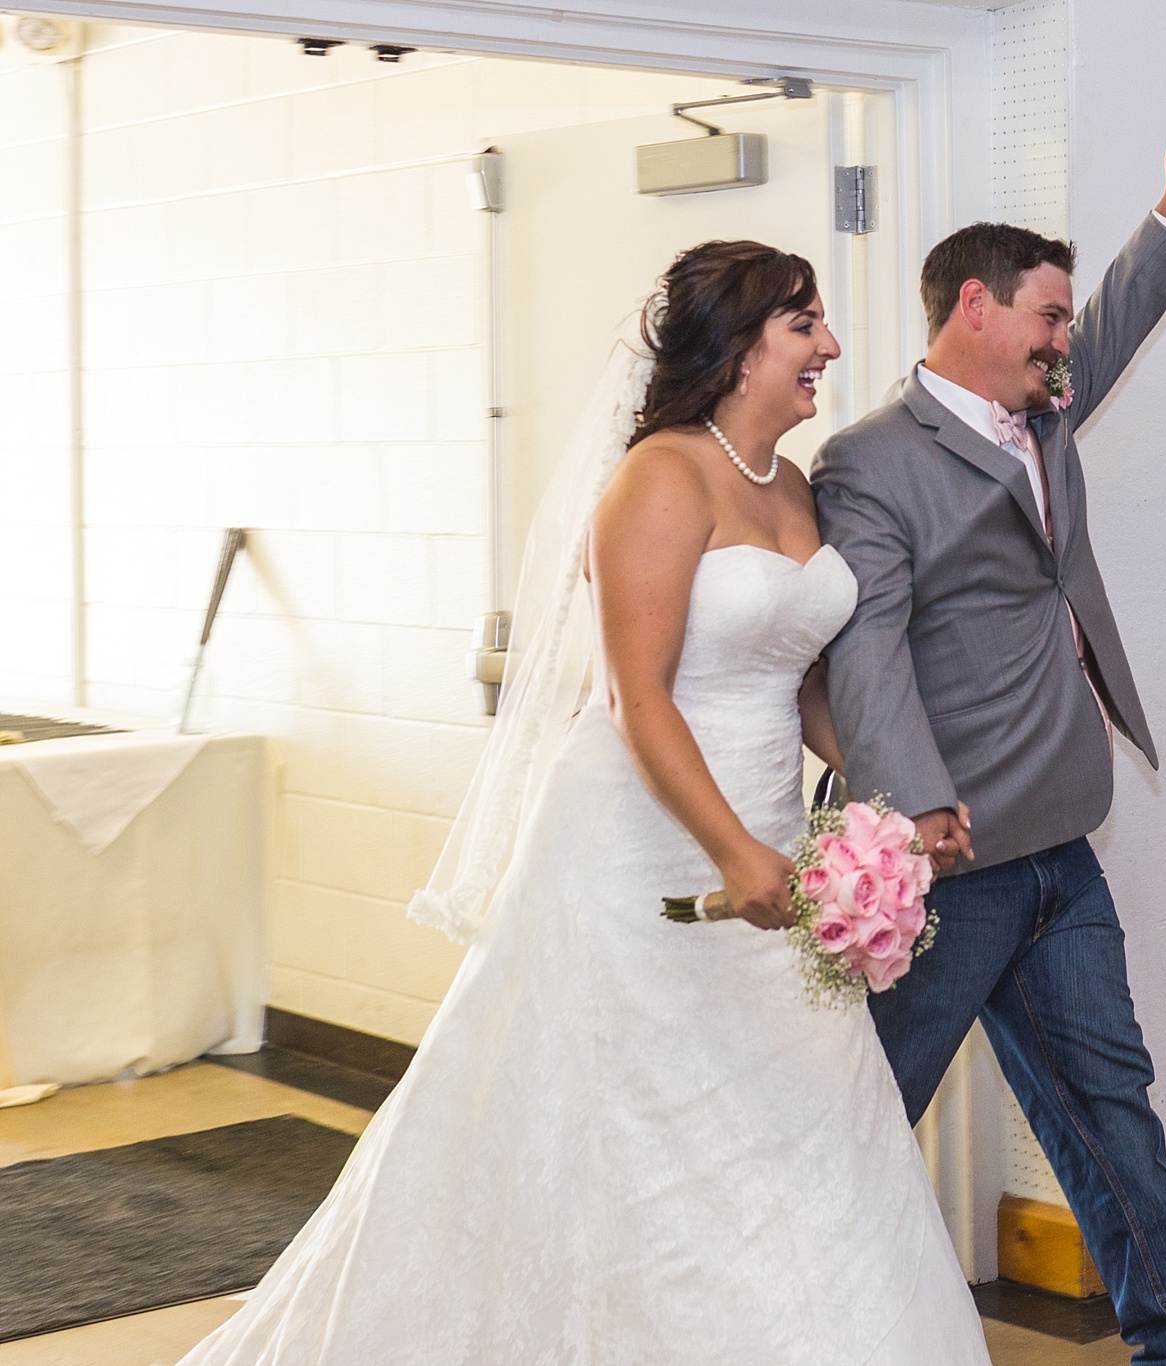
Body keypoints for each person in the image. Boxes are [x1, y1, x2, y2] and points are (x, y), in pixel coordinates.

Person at [178, 242, 992, 1365]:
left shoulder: (791, 487)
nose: (830, 347)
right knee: (638, 1122)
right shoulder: (657, 476)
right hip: (645, 850)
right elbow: (634, 694)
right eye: (803, 325)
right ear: (738, 344)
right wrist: (736, 853)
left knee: (802, 1117)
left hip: (767, 852)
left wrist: (892, 801)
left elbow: (795, 674)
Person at [815, 91, 1166, 1366]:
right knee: (857, 1118)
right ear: (973, 307)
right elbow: (862, 649)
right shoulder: (869, 462)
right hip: (946, 862)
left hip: (1060, 845)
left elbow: (1118, 321)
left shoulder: (1046, 411)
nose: (1064, 339)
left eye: (1065, 320)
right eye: (1046, 314)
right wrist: (913, 807)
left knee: (1109, 1115)